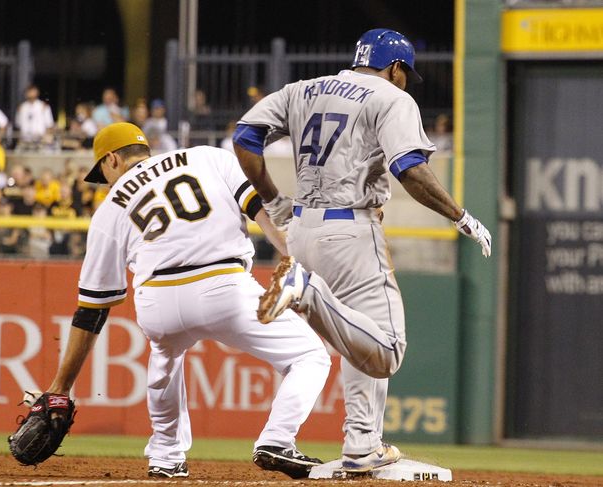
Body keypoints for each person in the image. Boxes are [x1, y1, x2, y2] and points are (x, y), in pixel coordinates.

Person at [232, 28, 492, 475]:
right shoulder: (391, 97)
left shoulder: (303, 89)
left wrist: (273, 202)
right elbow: (409, 169)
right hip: (351, 228)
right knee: (387, 349)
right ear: (394, 67)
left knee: (363, 336)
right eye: (405, 73)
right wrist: (460, 214)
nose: (405, 81)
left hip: (301, 230)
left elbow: (245, 136)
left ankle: (361, 445)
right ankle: (307, 294)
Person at [39, 122, 330, 479]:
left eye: (102, 173)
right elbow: (258, 208)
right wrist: (289, 253)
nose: (106, 183)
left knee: (164, 356)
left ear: (111, 159)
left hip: (157, 301)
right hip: (224, 286)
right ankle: (276, 439)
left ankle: (164, 454)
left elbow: (92, 310)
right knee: (310, 356)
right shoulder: (208, 157)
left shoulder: (109, 208)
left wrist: (61, 387)